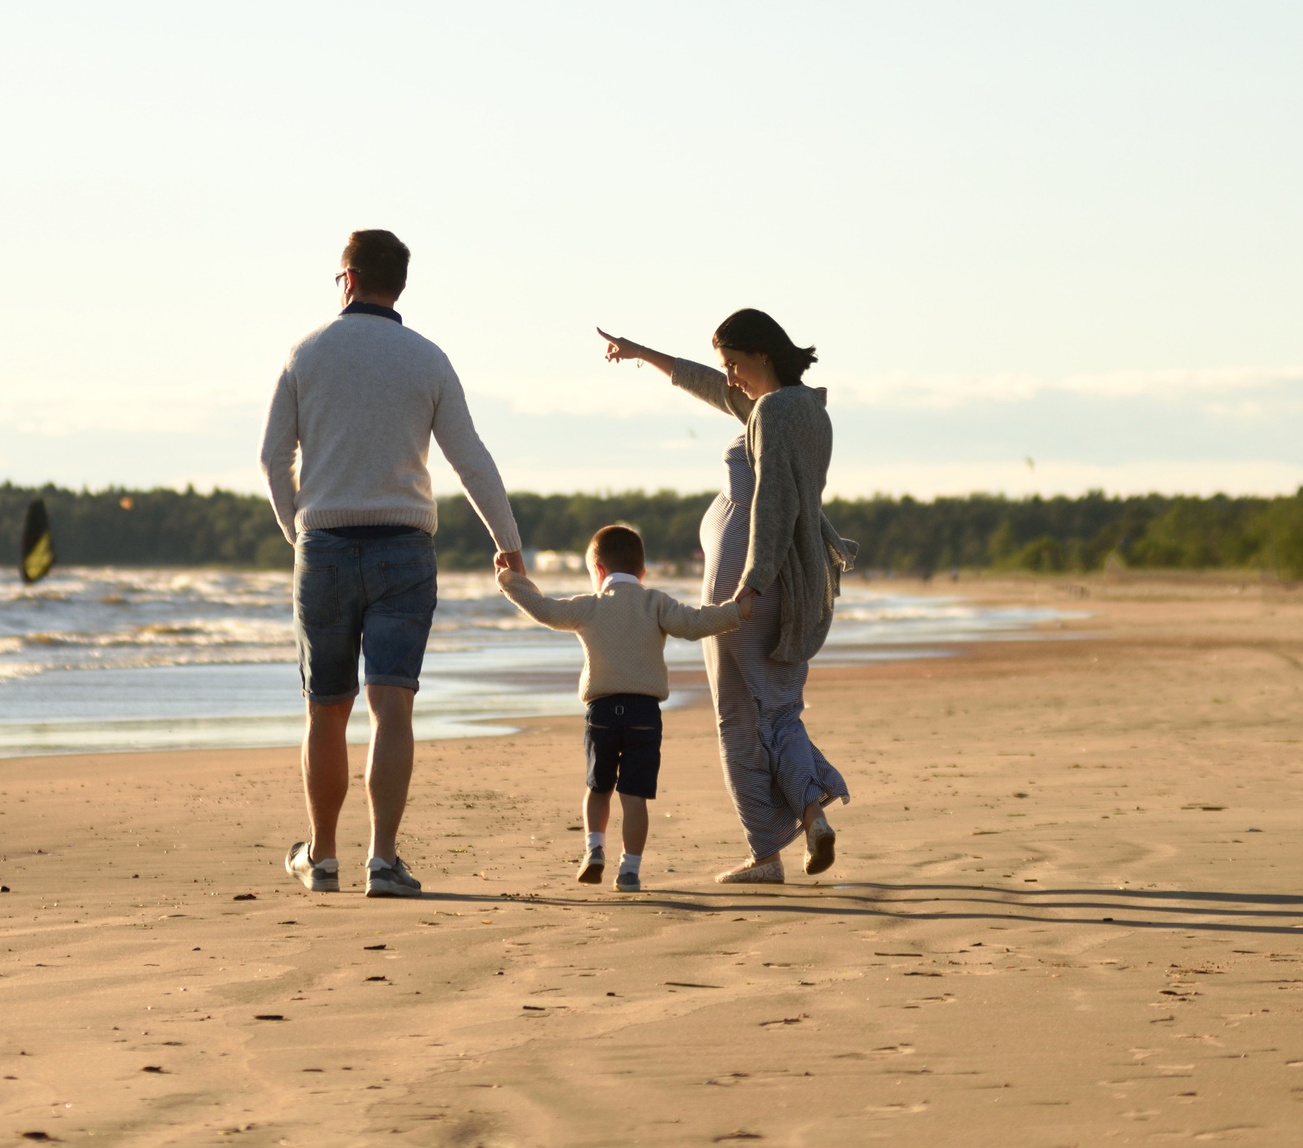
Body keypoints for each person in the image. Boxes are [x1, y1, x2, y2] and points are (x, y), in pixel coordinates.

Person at [261, 229, 524, 899]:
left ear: (346, 278)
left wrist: (299, 530)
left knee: (326, 708)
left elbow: (272, 457)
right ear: (398, 283)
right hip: (404, 546)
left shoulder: (306, 352)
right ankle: (382, 858)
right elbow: (470, 458)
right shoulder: (427, 359)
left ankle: (321, 857)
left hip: (322, 542)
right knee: (391, 706)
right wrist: (508, 539)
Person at [595, 311, 859, 884]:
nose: (731, 377)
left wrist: (754, 578)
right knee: (778, 711)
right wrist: (645, 354)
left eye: (735, 363)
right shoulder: (804, 408)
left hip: (748, 581)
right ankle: (811, 816)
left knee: (739, 717)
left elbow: (773, 500)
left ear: (761, 353)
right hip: (780, 578)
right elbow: (714, 391)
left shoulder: (772, 412)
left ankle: (766, 852)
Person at [495, 523, 746, 892]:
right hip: (644, 714)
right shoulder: (656, 602)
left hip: (601, 711)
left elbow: (544, 610)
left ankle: (594, 849)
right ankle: (629, 870)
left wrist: (510, 580)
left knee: (598, 788)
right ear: (642, 571)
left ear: (597, 571)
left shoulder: (590, 605)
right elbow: (694, 624)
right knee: (634, 796)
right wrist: (736, 610)